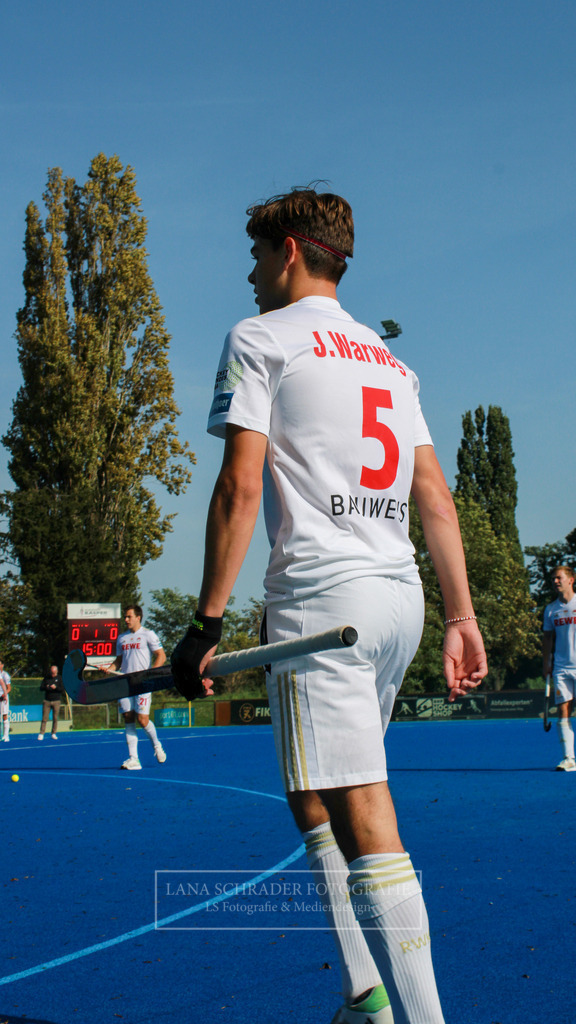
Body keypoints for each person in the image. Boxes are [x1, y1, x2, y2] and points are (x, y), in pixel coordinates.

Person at [171, 187, 487, 1024]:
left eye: (255, 254)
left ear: (290, 252)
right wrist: (463, 617)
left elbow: (240, 486)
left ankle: (418, 1018)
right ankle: (362, 991)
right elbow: (437, 500)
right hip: (400, 598)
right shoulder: (390, 359)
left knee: (366, 806)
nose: (248, 272)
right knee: (315, 793)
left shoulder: (259, 337)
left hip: (323, 600)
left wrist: (204, 625)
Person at [108, 605, 167, 770]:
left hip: (142, 683)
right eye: (125, 617)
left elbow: (161, 655)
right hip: (125, 683)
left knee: (142, 719)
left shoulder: (148, 634)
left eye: (128, 616)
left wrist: (151, 673)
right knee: (128, 717)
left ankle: (157, 746)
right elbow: (118, 661)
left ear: (138, 617)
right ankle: (134, 759)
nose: (126, 620)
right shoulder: (121, 638)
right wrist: (110, 669)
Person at [543, 565, 576, 771]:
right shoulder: (551, 610)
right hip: (562, 667)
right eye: (553, 579)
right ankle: (569, 758)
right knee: (563, 709)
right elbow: (547, 639)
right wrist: (546, 663)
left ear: (571, 579)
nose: (556, 581)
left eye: (559, 578)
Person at [38, 665, 65, 740]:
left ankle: (53, 733)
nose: (52, 674)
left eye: (54, 673)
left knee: (55, 718)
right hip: (47, 700)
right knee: (44, 718)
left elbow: (62, 689)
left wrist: (56, 687)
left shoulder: (60, 678)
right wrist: (46, 687)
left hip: (56, 700)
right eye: (51, 673)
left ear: (57, 672)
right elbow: (41, 687)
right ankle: (41, 733)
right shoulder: (46, 678)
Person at [0, 660, 10, 742]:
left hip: (3, 697)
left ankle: (6, 736)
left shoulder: (5, 675)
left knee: (4, 715)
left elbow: (9, 688)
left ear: (2, 665)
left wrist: (5, 694)